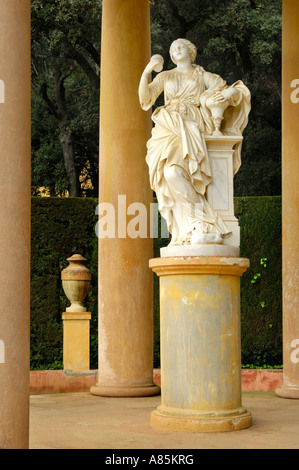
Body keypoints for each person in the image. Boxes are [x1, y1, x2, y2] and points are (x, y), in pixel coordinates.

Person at [139, 38, 250, 246]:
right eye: (173, 48)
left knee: (173, 172)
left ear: (191, 51)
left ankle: (200, 224)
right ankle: (189, 227)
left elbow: (228, 91)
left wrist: (219, 97)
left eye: (181, 46)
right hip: (167, 124)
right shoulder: (165, 76)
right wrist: (147, 72)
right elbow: (146, 99)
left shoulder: (203, 76)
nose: (176, 49)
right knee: (167, 174)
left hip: (191, 125)